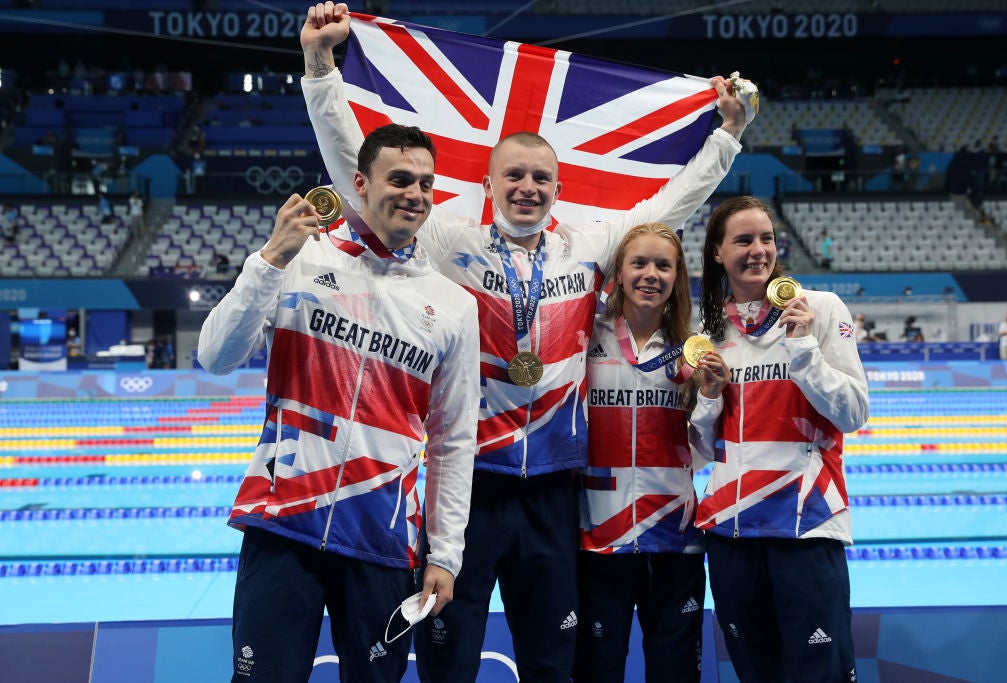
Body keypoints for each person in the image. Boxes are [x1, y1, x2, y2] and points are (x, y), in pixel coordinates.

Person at [300, 5, 749, 680]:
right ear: (488, 183)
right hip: (472, 487)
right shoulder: (453, 241)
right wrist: (320, 70)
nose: (528, 187)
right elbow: (355, 177)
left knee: (551, 660)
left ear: (560, 190)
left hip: (556, 494)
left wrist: (728, 135)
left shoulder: (586, 247)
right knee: (448, 656)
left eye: (541, 178)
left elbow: (674, 205)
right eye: (514, 175)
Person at [197, 123, 481, 683]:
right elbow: (216, 357)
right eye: (400, 179)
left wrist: (445, 553)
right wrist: (270, 258)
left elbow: (453, 438)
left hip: (381, 537)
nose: (415, 194)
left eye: (426, 183)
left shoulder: (452, 306)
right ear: (360, 183)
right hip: (283, 524)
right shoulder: (301, 261)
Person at [692, 196, 869, 683]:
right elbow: (700, 451)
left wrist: (804, 348)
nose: (758, 250)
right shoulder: (708, 331)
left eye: (766, 238)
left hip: (805, 524)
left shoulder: (821, 309)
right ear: (716, 253)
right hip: (731, 531)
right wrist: (709, 397)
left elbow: (853, 413)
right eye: (743, 240)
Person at [575, 222, 730, 683]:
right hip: (598, 537)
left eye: (663, 265)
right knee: (596, 672)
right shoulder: (585, 340)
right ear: (618, 273)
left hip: (675, 540)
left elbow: (703, 452)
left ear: (677, 276)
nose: (651, 274)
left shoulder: (693, 352)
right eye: (638, 263)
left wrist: (709, 398)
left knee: (676, 673)